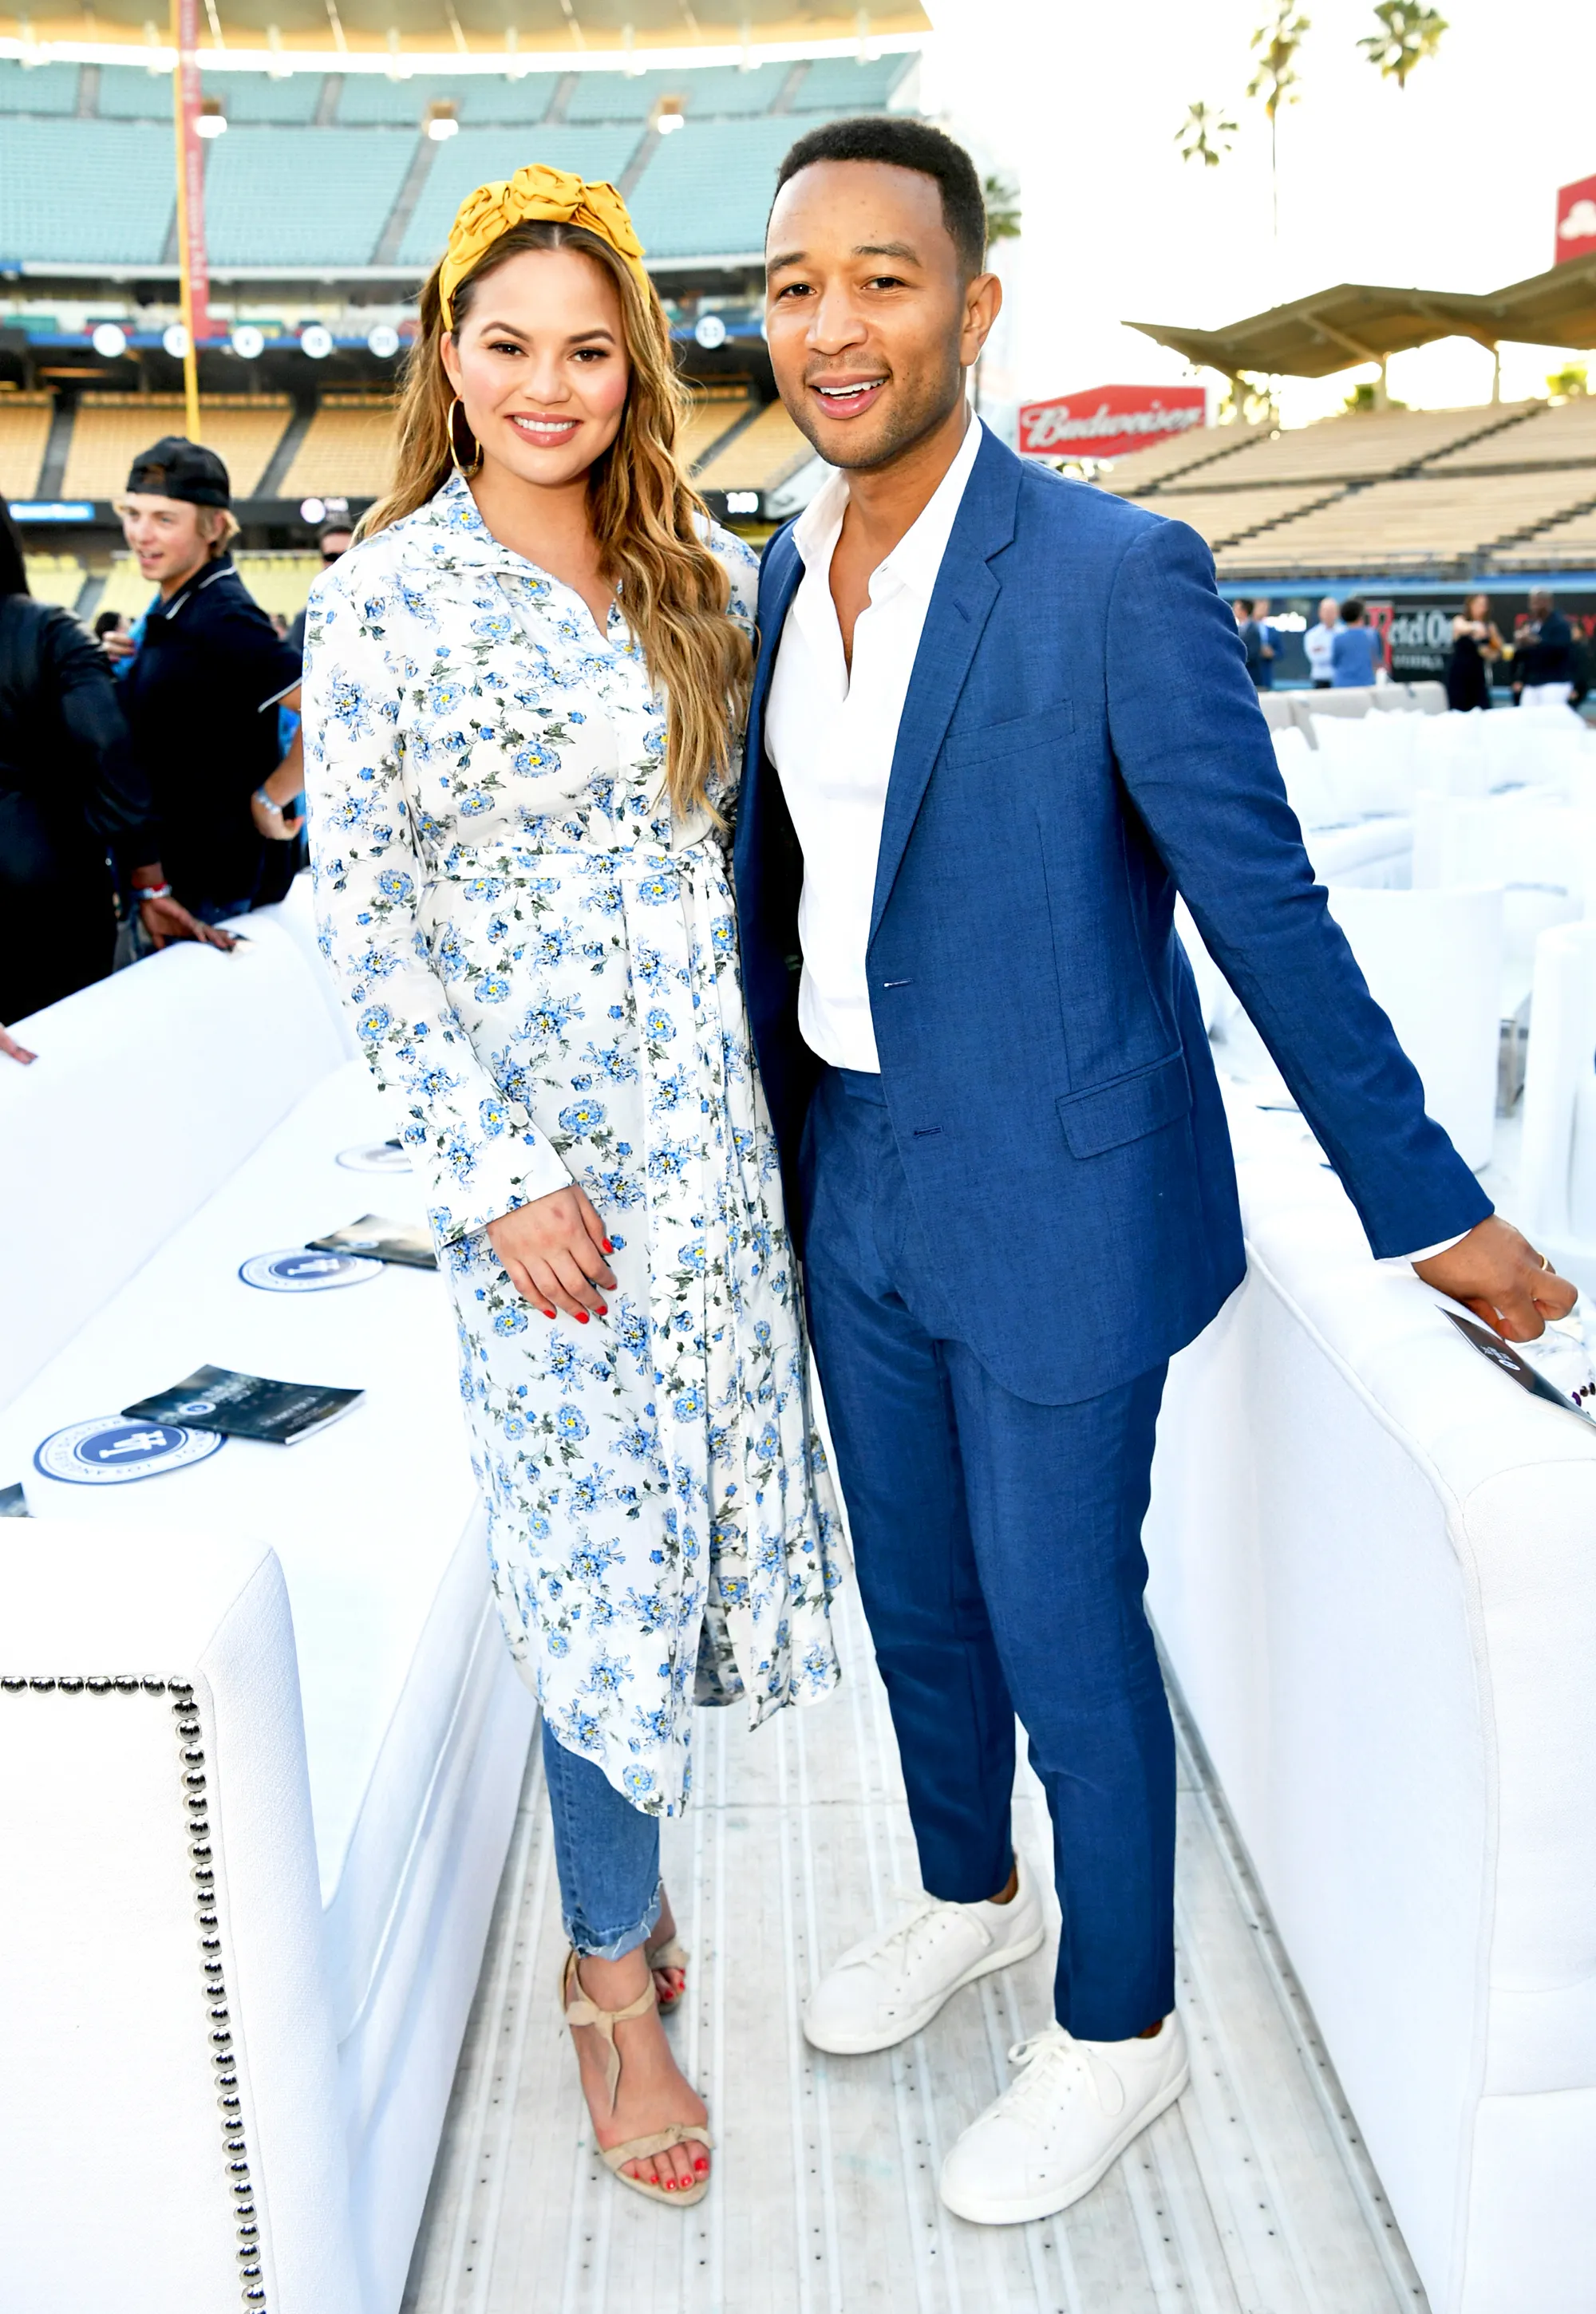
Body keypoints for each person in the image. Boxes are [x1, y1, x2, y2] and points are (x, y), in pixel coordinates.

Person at [737, 113, 1576, 2230]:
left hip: (1061, 1188)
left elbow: (1265, 909)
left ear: (973, 307)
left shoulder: (1117, 576)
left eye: (885, 279)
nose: (835, 326)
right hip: (854, 1166)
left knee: (1062, 1620)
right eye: (795, 285)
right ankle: (969, 1893)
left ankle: (1123, 2022)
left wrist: (1434, 1205)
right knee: (915, 1599)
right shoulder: (778, 565)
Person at [302, 164, 840, 2207]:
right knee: (600, 1581)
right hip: (547, 1203)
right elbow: (369, 926)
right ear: (449, 358)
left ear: (635, 372)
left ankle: (624, 1898)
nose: (548, 383)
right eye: (507, 345)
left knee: (681, 1550)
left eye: (587, 350)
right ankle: (609, 1981)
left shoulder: (690, 574)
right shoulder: (377, 604)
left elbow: (749, 870)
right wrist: (501, 1175)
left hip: (709, 1159)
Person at [0, 490, 228, 1049]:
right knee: (71, 1062)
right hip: (60, 889)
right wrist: (148, 883)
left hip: (47, 889)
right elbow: (109, 751)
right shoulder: (49, 629)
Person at [112, 436, 304, 923]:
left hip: (217, 893)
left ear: (213, 526)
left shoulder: (223, 615)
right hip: (184, 882)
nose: (141, 535)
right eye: (133, 514)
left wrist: (272, 797)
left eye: (164, 520)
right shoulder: (175, 604)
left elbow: (336, 712)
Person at [286, 520, 353, 656]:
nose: (339, 562)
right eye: (331, 557)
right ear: (322, 561)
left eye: (346, 555)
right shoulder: (307, 619)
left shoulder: (386, 608)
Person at [1514, 587, 1575, 707]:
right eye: (1532, 603)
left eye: (1538, 602)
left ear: (1548, 602)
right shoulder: (1532, 625)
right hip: (1532, 682)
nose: (1534, 607)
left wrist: (1537, 641)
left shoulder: (1560, 624)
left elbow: (1561, 649)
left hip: (1554, 683)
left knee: (1551, 721)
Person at [1447, 591, 1502, 713]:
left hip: (1477, 676)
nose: (1482, 608)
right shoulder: (1461, 620)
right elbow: (1459, 627)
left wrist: (1487, 652)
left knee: (1483, 709)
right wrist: (1475, 628)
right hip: (1459, 676)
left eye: (1484, 605)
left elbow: (1498, 651)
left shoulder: (1490, 626)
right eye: (1478, 604)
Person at [1330, 596, 1382, 686]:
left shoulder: (1338, 638)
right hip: (1366, 685)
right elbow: (1377, 660)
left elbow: (1334, 662)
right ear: (1361, 615)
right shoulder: (1371, 635)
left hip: (1343, 685)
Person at [1304, 594, 1339, 687]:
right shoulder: (1312, 635)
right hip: (1320, 681)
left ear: (1337, 613)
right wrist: (1335, 654)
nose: (1328, 614)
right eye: (1326, 611)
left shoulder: (1343, 633)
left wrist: (1324, 651)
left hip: (1339, 680)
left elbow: (1346, 658)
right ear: (1320, 613)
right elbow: (1315, 658)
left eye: (1331, 611)